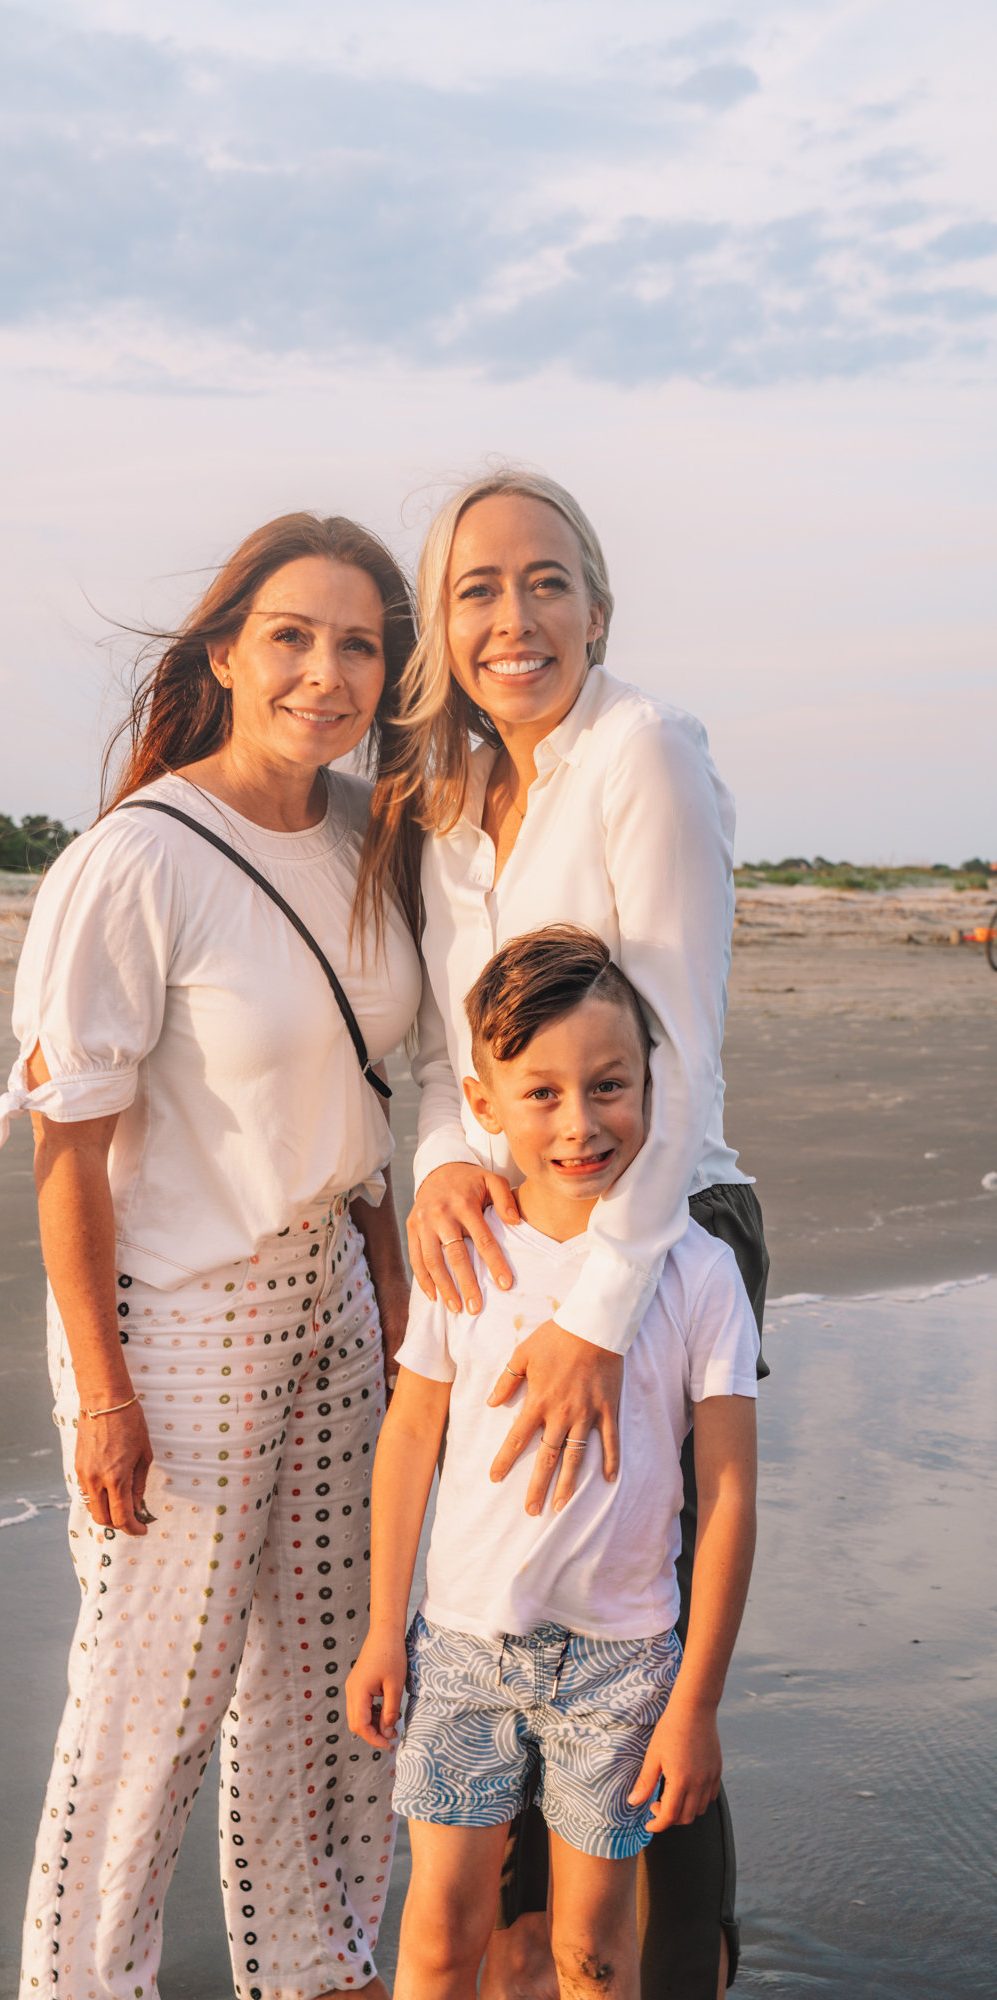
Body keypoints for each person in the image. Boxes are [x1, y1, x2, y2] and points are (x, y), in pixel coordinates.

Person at [0, 514, 424, 2000]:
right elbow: (67, 1146)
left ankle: (316, 1964)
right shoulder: (136, 856)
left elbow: (362, 1093)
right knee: (152, 1702)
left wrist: (395, 1277)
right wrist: (101, 1388)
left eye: (358, 644)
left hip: (338, 1302)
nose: (324, 672)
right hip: (177, 1314)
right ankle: (86, 1983)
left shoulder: (364, 836)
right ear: (223, 653)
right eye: (291, 636)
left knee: (326, 1688)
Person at [359, 469, 770, 1995]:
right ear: (440, 624)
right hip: (515, 1220)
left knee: (632, 1638)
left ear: (598, 606)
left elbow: (679, 1049)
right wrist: (444, 1165)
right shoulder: (460, 809)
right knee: (504, 1599)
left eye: (545, 582)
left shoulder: (640, 754)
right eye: (475, 588)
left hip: (657, 1235)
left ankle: (676, 1970)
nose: (511, 617)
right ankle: (531, 1963)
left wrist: (598, 1313)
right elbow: (445, 1058)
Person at [346, 926, 759, 2000]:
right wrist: (382, 1628)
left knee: (594, 1951)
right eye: (540, 1093)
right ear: (483, 1104)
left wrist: (695, 1701)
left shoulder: (696, 1271)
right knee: (438, 1941)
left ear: (651, 1084)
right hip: (463, 1650)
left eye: (608, 1085)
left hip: (621, 1666)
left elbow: (724, 1496)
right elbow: (409, 1437)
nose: (579, 1123)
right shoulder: (463, 1249)